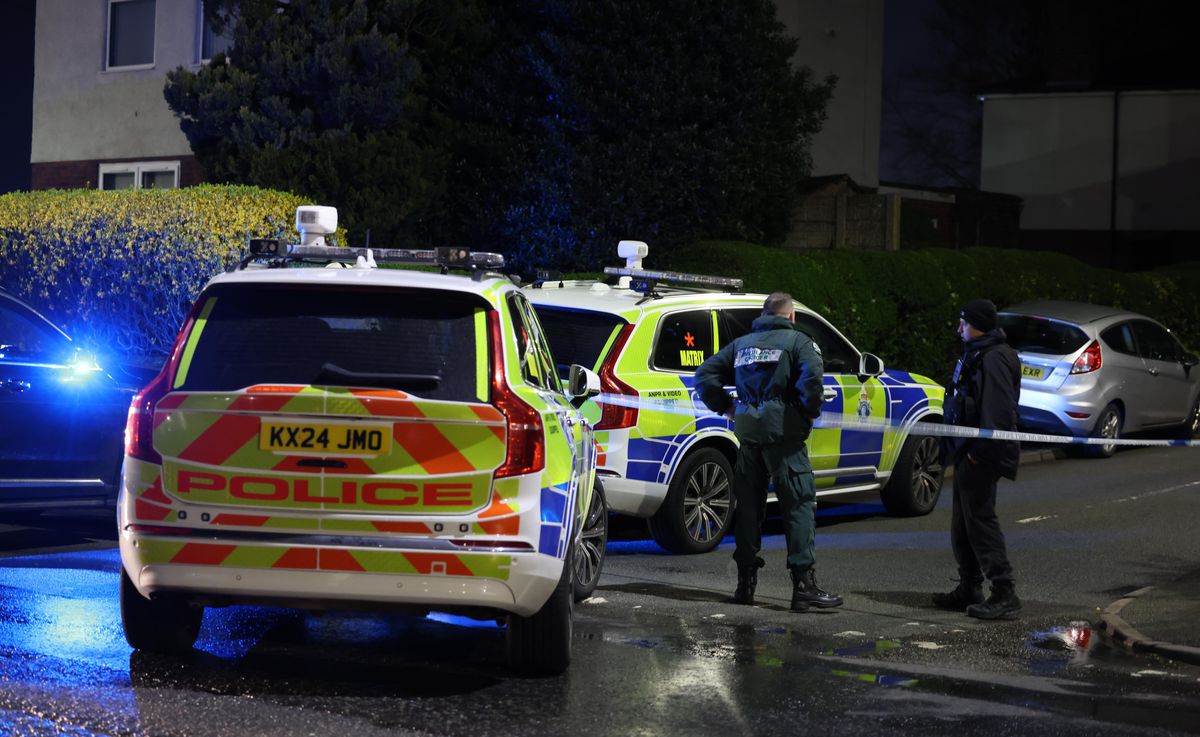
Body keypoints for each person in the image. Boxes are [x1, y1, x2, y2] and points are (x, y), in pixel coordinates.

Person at [694, 292, 842, 611]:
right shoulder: (799, 342)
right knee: (799, 503)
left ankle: (745, 585)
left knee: (748, 507)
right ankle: (803, 586)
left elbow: (704, 376)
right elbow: (812, 381)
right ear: (790, 316)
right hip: (784, 436)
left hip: (749, 437)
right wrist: (808, 412)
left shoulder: (742, 345)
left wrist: (729, 407)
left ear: (764, 314)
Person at [934, 298, 1022, 619]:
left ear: (979, 325)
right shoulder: (980, 353)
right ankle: (969, 586)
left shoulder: (995, 358)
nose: (959, 328)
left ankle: (1003, 591)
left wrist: (978, 454)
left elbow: (997, 413)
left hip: (979, 454)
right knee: (964, 524)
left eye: (964, 322)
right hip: (966, 450)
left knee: (981, 522)